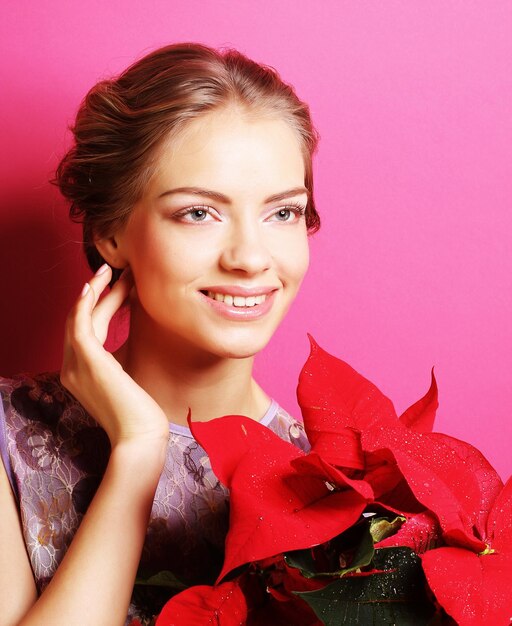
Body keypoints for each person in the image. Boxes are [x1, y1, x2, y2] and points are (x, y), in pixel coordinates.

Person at [0, 42, 319, 625]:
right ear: (110, 233)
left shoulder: (337, 477)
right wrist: (138, 450)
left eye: (283, 212)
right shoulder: (8, 439)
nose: (251, 258)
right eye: (199, 212)